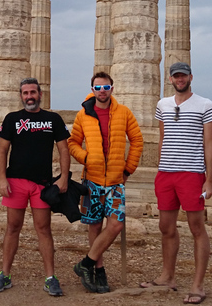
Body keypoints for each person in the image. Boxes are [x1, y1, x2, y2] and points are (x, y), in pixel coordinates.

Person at [140, 62, 212, 305]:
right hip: (166, 173)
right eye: (176, 76)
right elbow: (163, 138)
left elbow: (209, 144)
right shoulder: (163, 104)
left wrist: (209, 180)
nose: (180, 79)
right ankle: (167, 277)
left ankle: (198, 285)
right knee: (165, 226)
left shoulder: (205, 104)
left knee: (196, 227)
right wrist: (159, 169)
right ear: (170, 79)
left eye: (183, 75)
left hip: (192, 173)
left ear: (190, 77)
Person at [0, 78, 71, 297]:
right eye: (25, 93)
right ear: (21, 96)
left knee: (43, 229)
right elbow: (2, 151)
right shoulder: (12, 118)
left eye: (33, 92)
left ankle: (51, 278)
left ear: (40, 94)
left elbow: (64, 149)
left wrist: (63, 178)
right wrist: (2, 179)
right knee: (12, 227)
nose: (29, 96)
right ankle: (4, 274)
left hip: (42, 184)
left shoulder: (52, 119)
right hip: (15, 182)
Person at [68, 71, 143, 293]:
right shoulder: (83, 115)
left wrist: (128, 169)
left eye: (106, 87)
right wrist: (86, 158)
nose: (102, 91)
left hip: (116, 181)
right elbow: (73, 143)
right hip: (91, 180)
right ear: (92, 90)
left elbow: (137, 140)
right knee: (94, 224)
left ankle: (86, 263)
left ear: (112, 88)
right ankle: (98, 270)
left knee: (116, 224)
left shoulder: (124, 112)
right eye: (98, 88)